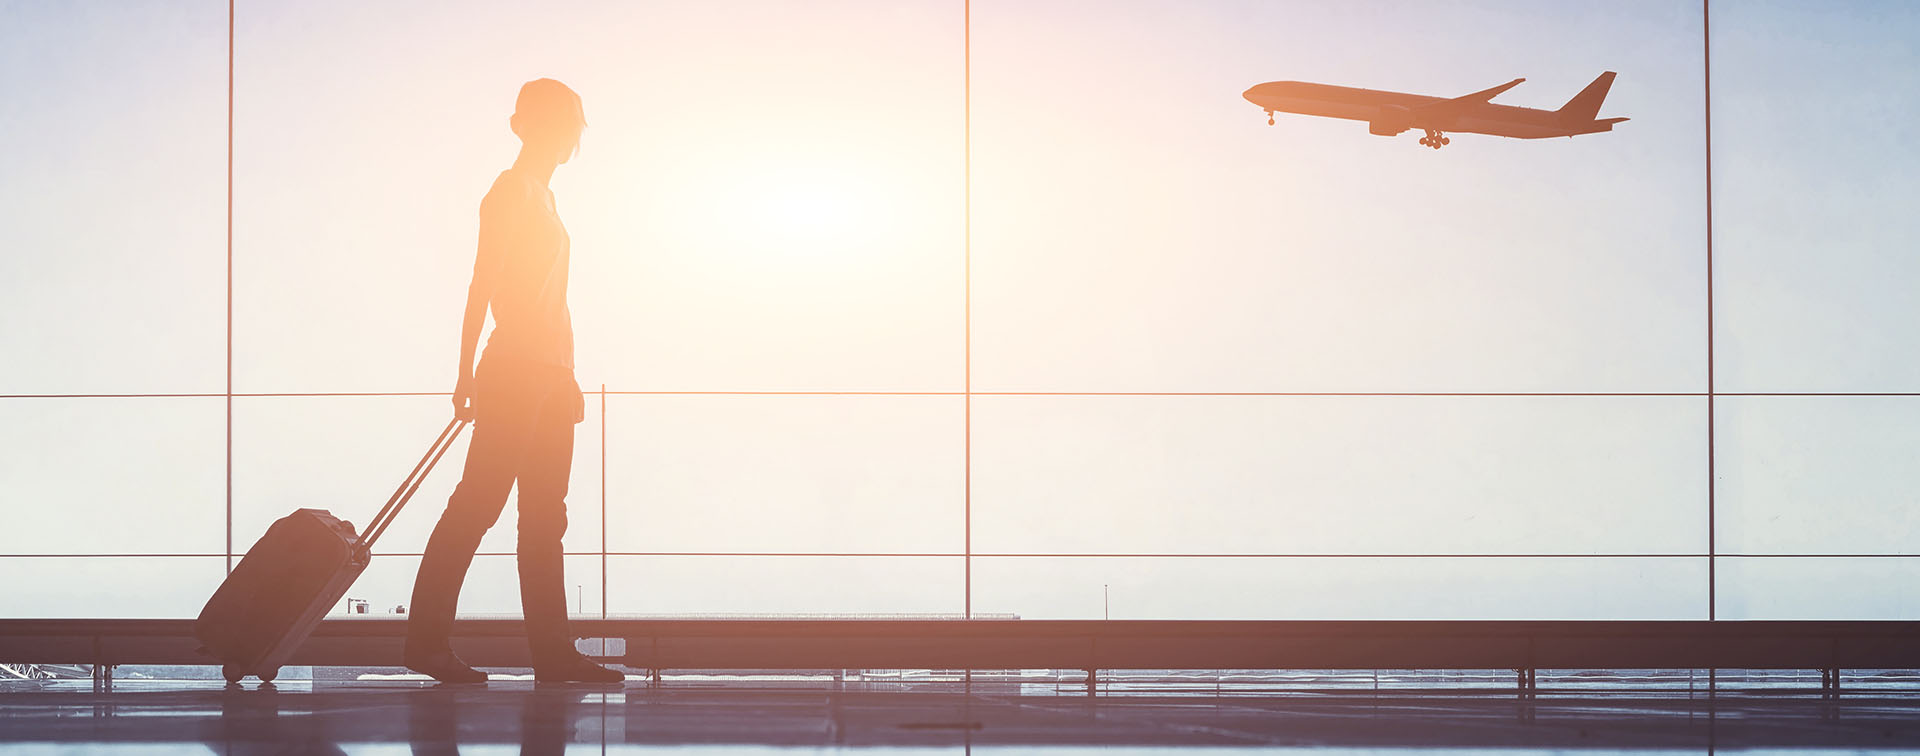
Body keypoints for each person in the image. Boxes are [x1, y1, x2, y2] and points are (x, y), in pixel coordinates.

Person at [403, 78, 621, 684]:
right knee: (478, 505)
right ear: (531, 125)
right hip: (516, 370)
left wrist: (568, 373)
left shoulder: (546, 200)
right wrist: (465, 369)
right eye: (566, 121)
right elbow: (483, 282)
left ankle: (552, 652)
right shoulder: (511, 191)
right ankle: (425, 643)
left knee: (545, 516)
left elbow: (555, 302)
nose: (573, 134)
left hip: (550, 374)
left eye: (574, 122)